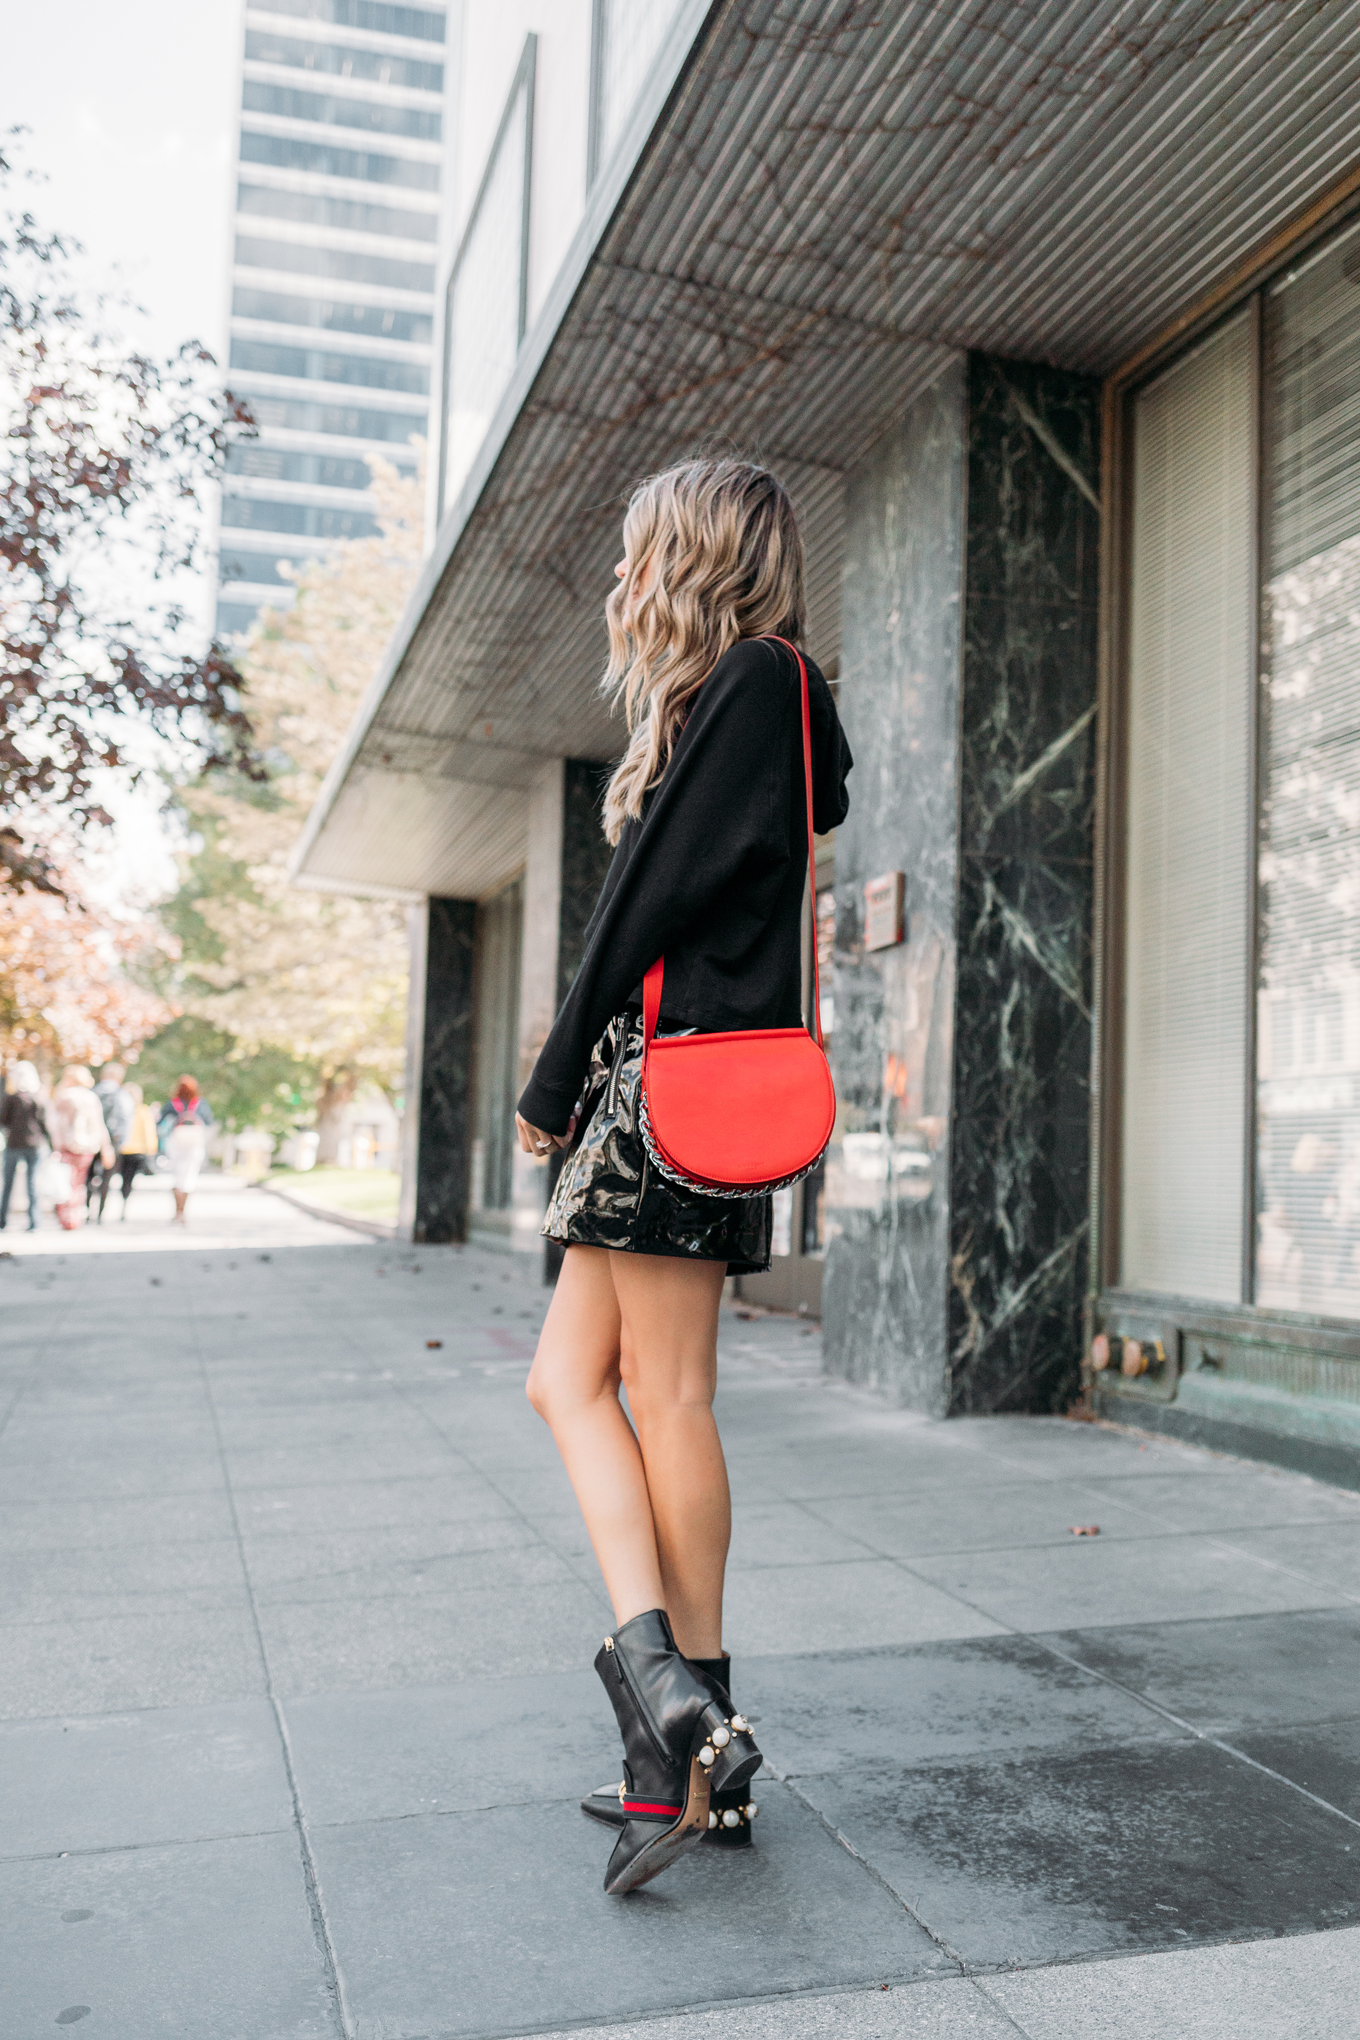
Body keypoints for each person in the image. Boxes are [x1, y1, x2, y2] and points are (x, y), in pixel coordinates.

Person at [515, 458, 852, 1894]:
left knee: (667, 1396)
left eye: (639, 547)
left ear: (697, 558)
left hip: (675, 1093)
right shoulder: (727, 701)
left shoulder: (762, 682)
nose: (622, 573)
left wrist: (552, 1073)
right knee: (566, 1384)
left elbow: (645, 901)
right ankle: (677, 1736)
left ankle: (683, 1718)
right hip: (652, 1093)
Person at [49, 1067, 114, 1230]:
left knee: (67, 1182)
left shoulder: (65, 1096)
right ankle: (75, 1215)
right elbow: (99, 1124)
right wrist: (106, 1148)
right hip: (87, 1147)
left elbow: (56, 1124)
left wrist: (56, 1146)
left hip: (68, 1147)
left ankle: (67, 1216)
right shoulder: (91, 1097)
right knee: (79, 1182)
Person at [1, 1061, 50, 1232]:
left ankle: (2, 1220)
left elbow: (3, 1121)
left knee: (8, 1184)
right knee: (32, 1184)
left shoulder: (11, 1099)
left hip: (14, 1144)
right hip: (34, 1145)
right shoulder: (37, 1099)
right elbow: (44, 1124)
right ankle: (35, 1222)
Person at [158, 1076, 214, 1225]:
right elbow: (209, 1122)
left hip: (176, 1144)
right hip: (194, 1145)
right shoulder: (201, 1104)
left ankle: (177, 1212)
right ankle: (183, 1212)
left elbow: (159, 1121)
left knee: (177, 1177)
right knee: (189, 1177)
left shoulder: (172, 1104)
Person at [87, 1063, 133, 1224]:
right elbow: (126, 1119)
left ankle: (87, 1210)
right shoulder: (122, 1095)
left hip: (92, 1139)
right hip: (113, 1140)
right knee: (106, 1178)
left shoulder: (92, 1093)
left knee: (89, 1175)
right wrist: (123, 1142)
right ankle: (100, 1213)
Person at [115, 1082, 159, 1220]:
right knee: (128, 1180)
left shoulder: (125, 1110)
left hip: (123, 1150)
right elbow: (149, 1132)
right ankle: (124, 1201)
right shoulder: (142, 1111)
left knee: (124, 1178)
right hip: (135, 1151)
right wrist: (151, 1149)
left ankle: (123, 1201)